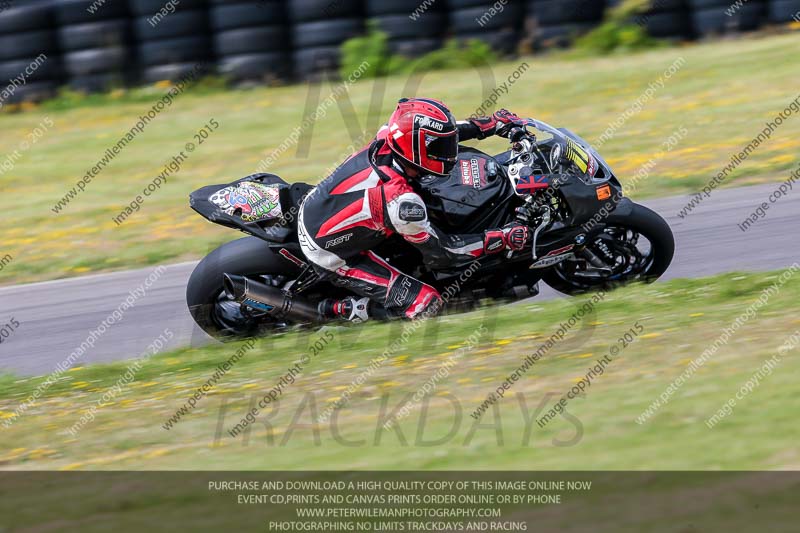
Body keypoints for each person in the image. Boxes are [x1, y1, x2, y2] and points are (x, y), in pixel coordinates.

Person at [298, 97, 530, 322]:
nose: (449, 152)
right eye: (441, 147)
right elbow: (444, 253)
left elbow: (446, 132)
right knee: (427, 304)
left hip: (319, 204)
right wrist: (500, 238)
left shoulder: (388, 136)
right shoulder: (402, 203)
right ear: (415, 149)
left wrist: (489, 124)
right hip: (330, 252)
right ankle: (342, 310)